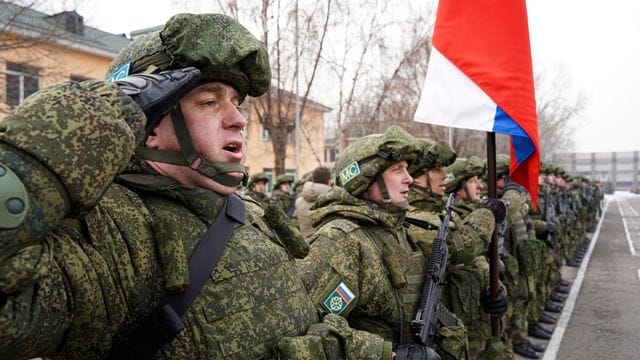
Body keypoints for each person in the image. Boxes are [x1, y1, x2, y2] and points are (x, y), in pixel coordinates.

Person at [0, 13, 388, 359]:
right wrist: (101, 112)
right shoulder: (113, 231)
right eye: (208, 102)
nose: (237, 119)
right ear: (149, 126)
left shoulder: (248, 211)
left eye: (236, 102)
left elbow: (299, 317)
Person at [299, 125, 446, 358]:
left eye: (407, 169)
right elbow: (308, 331)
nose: (409, 179)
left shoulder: (398, 231)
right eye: (397, 169)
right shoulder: (340, 241)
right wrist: (387, 354)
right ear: (366, 178)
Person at [294, 166, 332, 238]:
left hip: (306, 244)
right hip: (325, 244)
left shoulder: (299, 201)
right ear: (329, 181)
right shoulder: (332, 199)